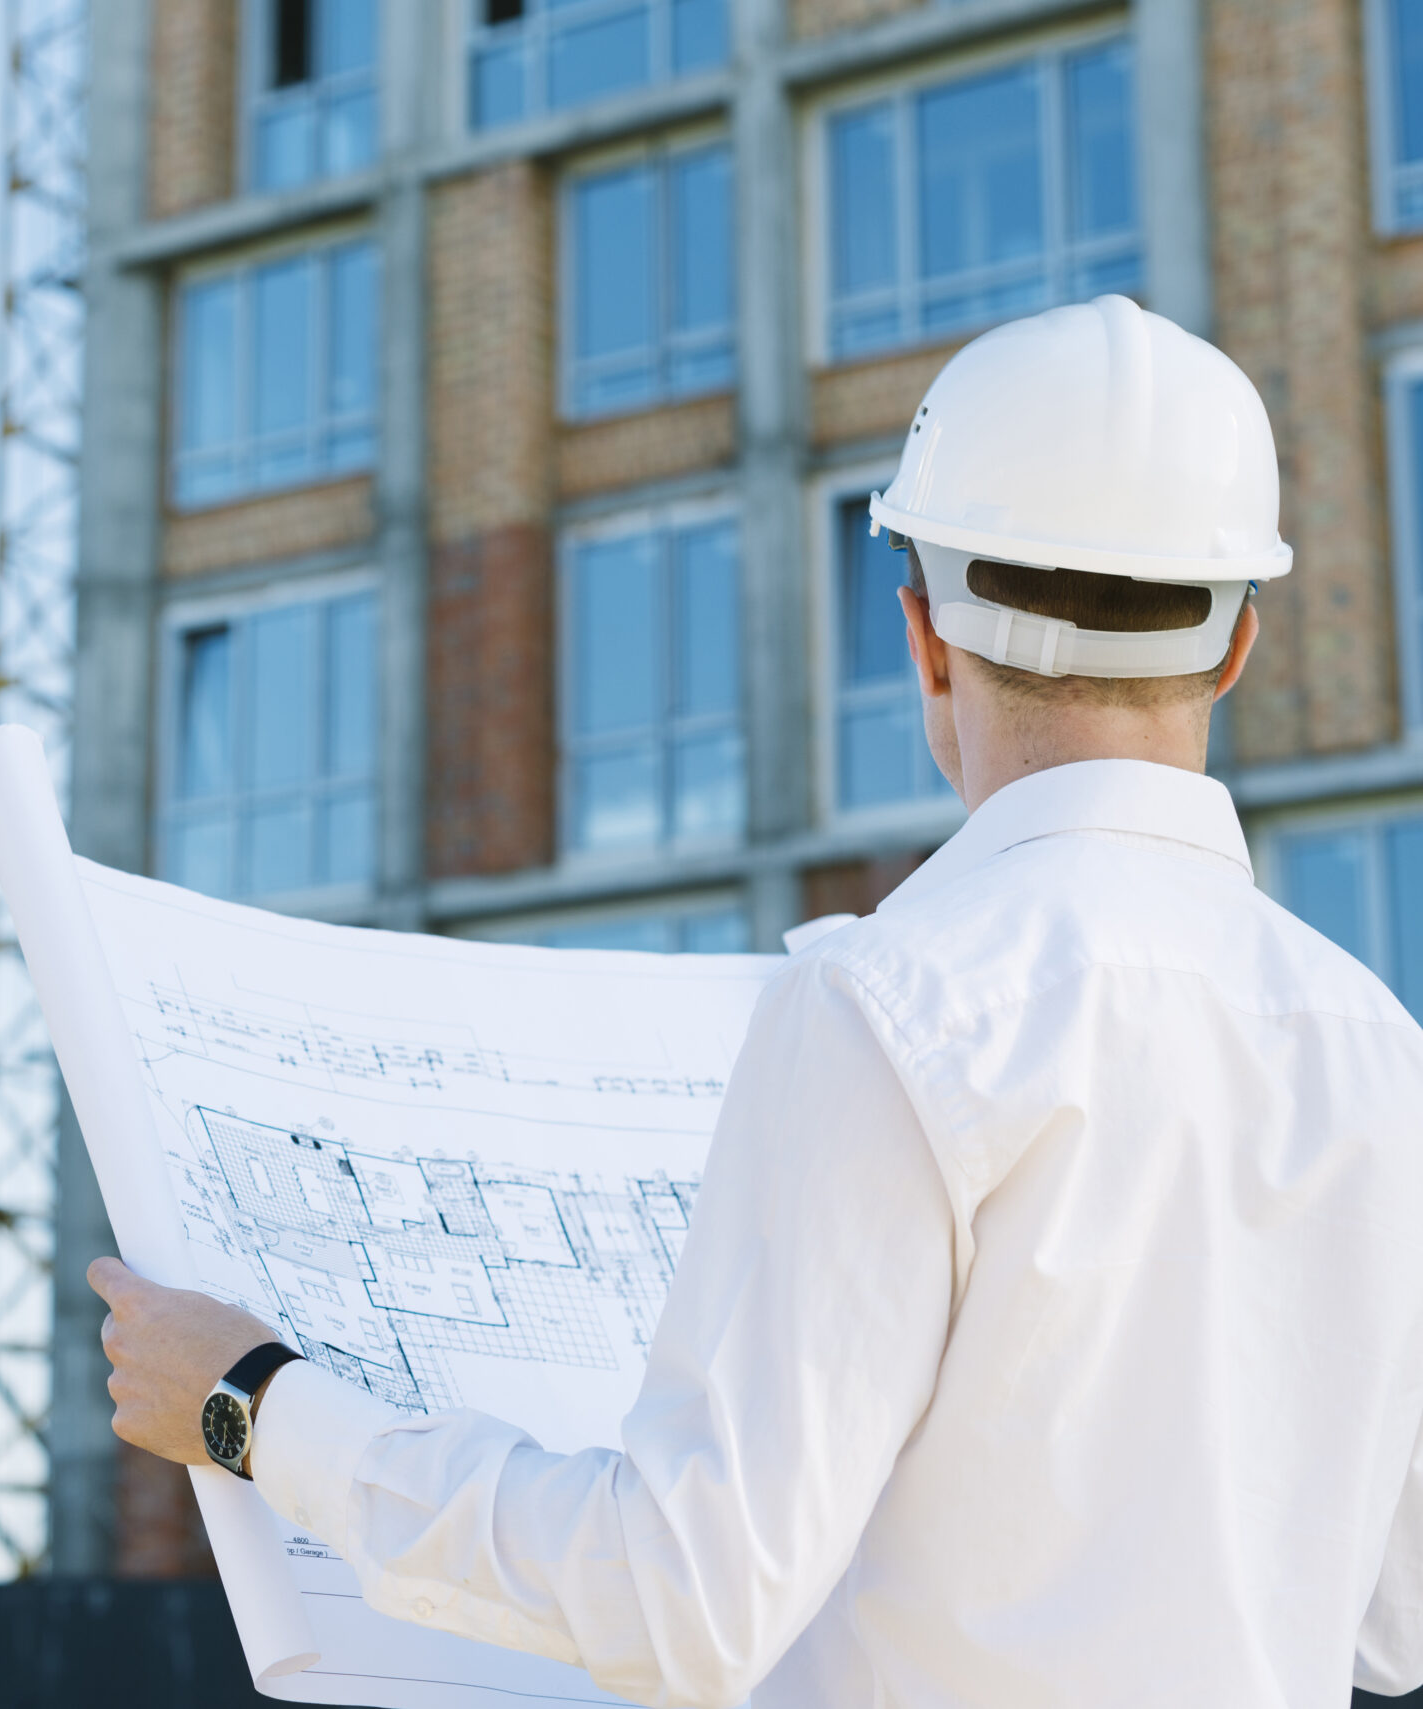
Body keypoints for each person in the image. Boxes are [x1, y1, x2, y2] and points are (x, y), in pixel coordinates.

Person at [88, 295, 1423, 1707]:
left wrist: (253, 1404)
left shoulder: (895, 1004)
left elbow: (684, 1602)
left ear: (923, 639)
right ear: (1233, 648)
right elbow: (1398, 1617)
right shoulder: (1380, 1053)